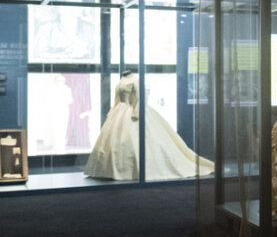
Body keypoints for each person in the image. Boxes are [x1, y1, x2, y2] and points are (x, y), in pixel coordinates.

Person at [85, 71, 214, 180]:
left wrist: (137, 112)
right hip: (119, 112)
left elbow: (142, 98)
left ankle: (134, 170)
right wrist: (113, 110)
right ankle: (110, 170)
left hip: (132, 111)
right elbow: (117, 99)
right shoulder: (122, 80)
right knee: (115, 141)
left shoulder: (135, 80)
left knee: (134, 139)